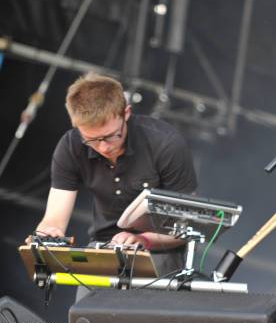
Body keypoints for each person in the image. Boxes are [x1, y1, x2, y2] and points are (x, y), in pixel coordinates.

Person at [26, 73, 197, 278]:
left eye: (110, 136)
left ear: (126, 113)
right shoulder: (71, 146)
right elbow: (54, 219)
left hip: (159, 250)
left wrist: (144, 240)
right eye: (92, 140)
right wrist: (46, 235)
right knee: (84, 309)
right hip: (103, 247)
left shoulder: (166, 144)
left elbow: (187, 225)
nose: (104, 147)